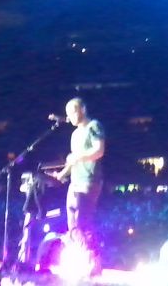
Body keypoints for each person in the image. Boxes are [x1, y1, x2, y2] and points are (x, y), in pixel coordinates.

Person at [54, 98, 105, 237]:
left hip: (88, 181)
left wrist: (77, 157)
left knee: (82, 222)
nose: (69, 117)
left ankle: (88, 249)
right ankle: (77, 247)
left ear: (83, 109)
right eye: (68, 114)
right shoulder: (75, 134)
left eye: (72, 112)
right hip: (75, 182)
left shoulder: (93, 126)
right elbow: (74, 161)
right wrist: (62, 174)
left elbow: (99, 150)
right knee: (72, 223)